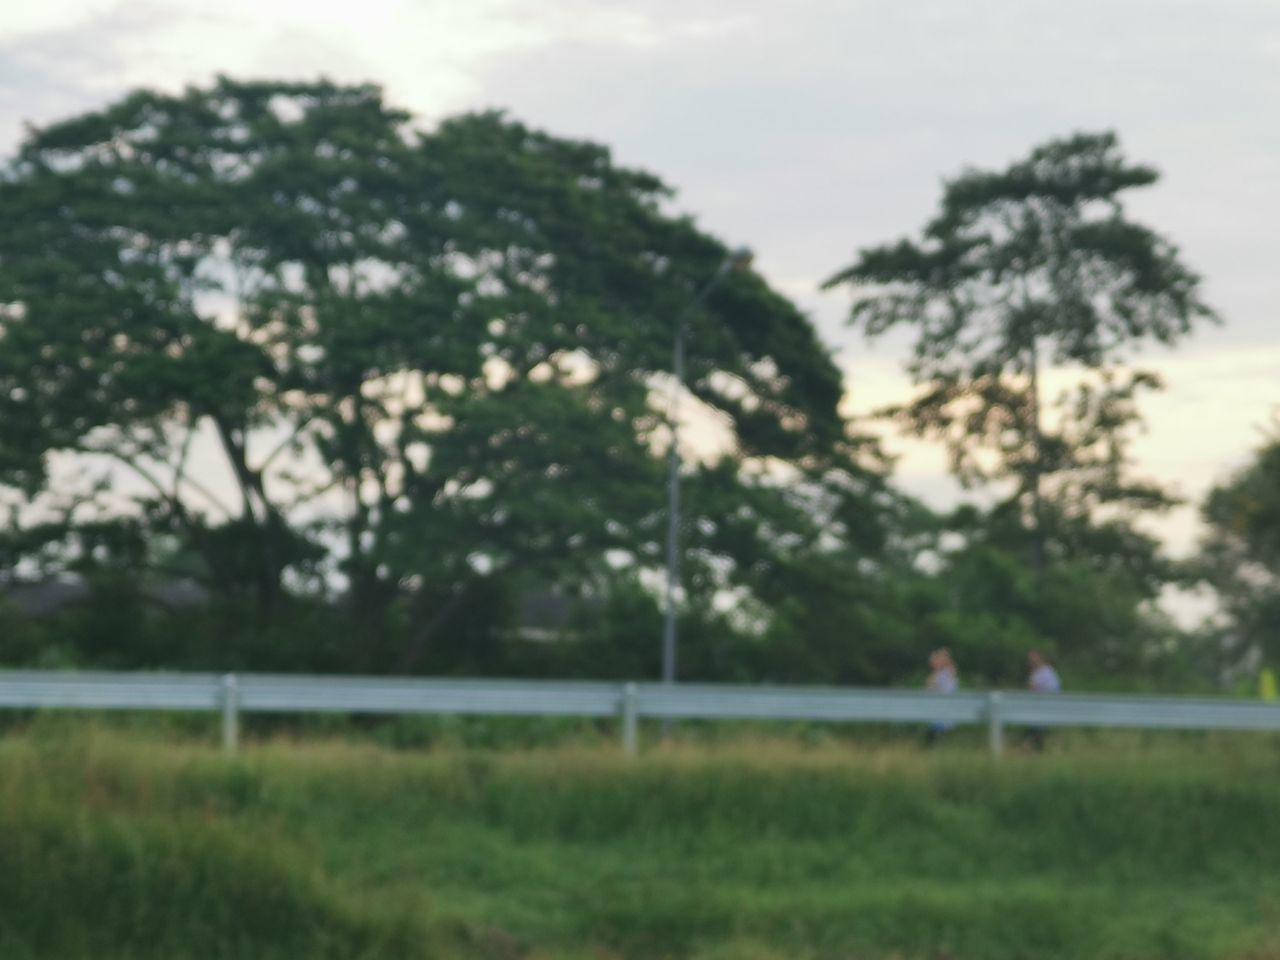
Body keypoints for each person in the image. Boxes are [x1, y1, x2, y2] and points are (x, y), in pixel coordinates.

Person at [1023, 650, 1061, 751]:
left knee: (1037, 733)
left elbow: (1033, 689)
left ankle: (1036, 749)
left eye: (1033, 659)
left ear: (1039, 659)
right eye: (1029, 660)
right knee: (1036, 733)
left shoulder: (1046, 672)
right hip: (1038, 709)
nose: (1030, 662)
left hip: (1045, 708)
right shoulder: (1038, 673)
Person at [924, 647, 958, 746]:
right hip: (936, 710)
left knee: (935, 736)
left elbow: (943, 690)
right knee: (933, 736)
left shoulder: (948, 673)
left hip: (943, 712)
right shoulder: (938, 674)